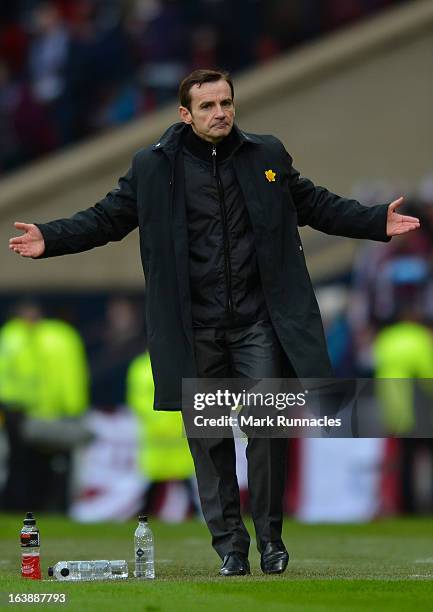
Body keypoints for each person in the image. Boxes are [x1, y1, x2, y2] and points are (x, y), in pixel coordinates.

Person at [9, 68, 420, 576]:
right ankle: (230, 547)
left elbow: (314, 204)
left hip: (257, 324)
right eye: (207, 106)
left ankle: (271, 541)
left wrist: (373, 220)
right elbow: (105, 218)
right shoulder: (153, 168)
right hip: (194, 329)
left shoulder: (266, 155)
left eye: (226, 102)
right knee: (210, 442)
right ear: (185, 114)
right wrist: (51, 237)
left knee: (267, 432)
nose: (220, 112)